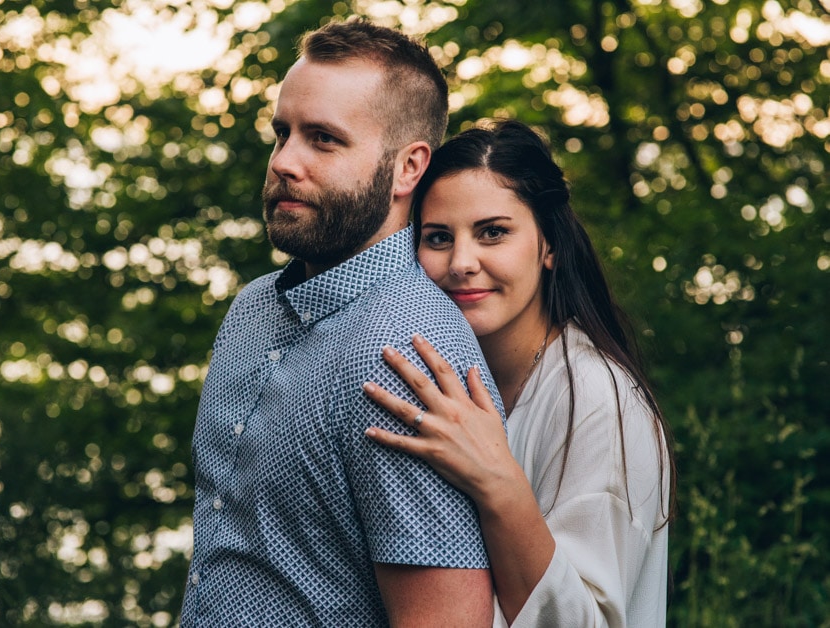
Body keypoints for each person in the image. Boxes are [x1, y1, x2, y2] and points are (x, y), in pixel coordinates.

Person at [180, 18, 503, 627]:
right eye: (283, 134)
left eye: (324, 140)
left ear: (408, 169)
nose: (285, 163)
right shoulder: (251, 311)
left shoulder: (409, 352)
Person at [363, 120, 674, 626]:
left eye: (493, 232)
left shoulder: (598, 399)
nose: (462, 262)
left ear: (547, 245)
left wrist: (499, 483)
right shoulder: (448, 382)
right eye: (438, 237)